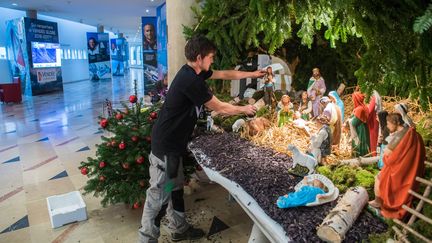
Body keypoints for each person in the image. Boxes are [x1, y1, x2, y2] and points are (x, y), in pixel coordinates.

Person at [138, 35, 265, 243]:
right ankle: (146, 239)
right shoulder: (190, 80)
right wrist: (245, 109)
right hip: (166, 149)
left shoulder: (196, 72)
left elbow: (225, 74)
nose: (212, 61)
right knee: (160, 195)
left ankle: (179, 229)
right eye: (211, 57)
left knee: (174, 187)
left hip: (174, 148)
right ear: (199, 58)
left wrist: (253, 73)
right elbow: (220, 107)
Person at [368, 113, 425, 219]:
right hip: (411, 169)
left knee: (379, 178)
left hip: (400, 171)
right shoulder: (410, 132)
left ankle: (378, 202)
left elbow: (389, 156)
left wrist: (386, 157)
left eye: (389, 124)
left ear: (396, 123)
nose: (388, 126)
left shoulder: (400, 135)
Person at [348, 91, 370, 157]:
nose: (352, 100)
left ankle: (359, 160)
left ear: (356, 99)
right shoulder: (364, 107)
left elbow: (354, 123)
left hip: (359, 131)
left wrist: (349, 120)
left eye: (353, 99)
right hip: (364, 128)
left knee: (359, 145)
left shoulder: (359, 109)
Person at [367, 90, 382, 156]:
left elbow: (370, 111)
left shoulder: (374, 99)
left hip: (373, 121)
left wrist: (365, 118)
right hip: (376, 120)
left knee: (373, 138)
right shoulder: (377, 98)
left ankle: (374, 155)